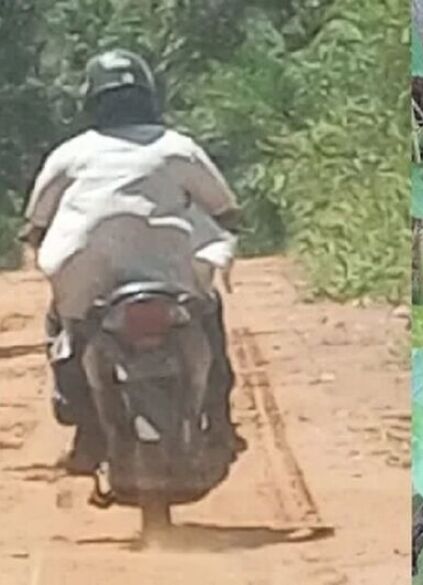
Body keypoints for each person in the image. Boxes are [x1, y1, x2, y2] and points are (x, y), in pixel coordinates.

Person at [19, 49, 242, 474]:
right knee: (208, 318)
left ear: (92, 101)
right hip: (172, 274)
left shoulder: (70, 153)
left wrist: (35, 235)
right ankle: (220, 421)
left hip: (89, 276)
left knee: (66, 328)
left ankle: (85, 429)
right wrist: (228, 220)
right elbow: (222, 204)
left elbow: (37, 218)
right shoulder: (178, 147)